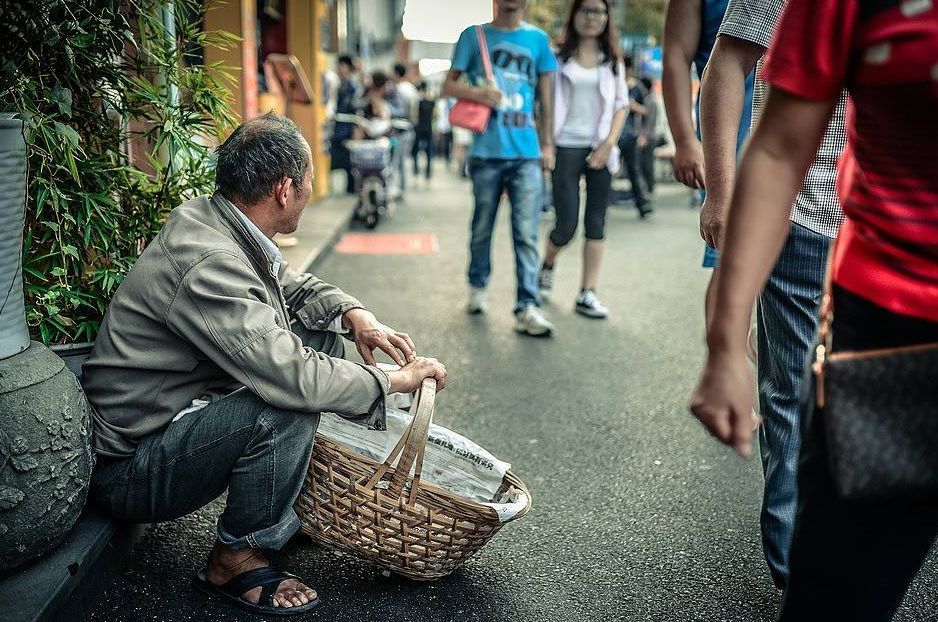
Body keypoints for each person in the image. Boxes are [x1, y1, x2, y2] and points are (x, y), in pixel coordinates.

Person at [83, 114, 447, 616]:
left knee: (319, 334)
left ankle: (282, 504)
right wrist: (391, 381)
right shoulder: (207, 261)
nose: (311, 191)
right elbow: (292, 377)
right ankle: (234, 558)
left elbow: (288, 284)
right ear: (284, 190)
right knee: (286, 402)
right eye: (309, 183)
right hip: (130, 467)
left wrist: (354, 314)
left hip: (179, 418)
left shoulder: (217, 219)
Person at [690, 0, 938, 617]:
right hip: (886, 322)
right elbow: (773, 144)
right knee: (840, 589)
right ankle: (787, 558)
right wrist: (725, 342)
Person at [698, 0, 847, 589]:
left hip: (897, 226)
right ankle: (800, 576)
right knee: (792, 397)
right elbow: (726, 63)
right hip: (803, 212)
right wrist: (722, 194)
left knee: (881, 399)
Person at [442, 0, 558, 337]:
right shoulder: (473, 36)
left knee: (526, 231)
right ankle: (477, 285)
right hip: (486, 152)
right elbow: (448, 87)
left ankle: (527, 306)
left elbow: (546, 101)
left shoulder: (538, 40)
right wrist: (479, 94)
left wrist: (547, 145)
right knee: (482, 225)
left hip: (527, 153)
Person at [661, 0, 754, 328]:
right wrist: (685, 140)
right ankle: (725, 365)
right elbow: (675, 56)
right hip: (730, 134)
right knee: (728, 261)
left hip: (802, 130)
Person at [537, 0, 627, 320]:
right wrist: (545, 145)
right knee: (566, 225)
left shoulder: (612, 60)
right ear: (574, 16)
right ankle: (547, 263)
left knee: (596, 222)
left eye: (599, 12)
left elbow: (621, 105)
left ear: (606, 18)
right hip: (565, 146)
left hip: (600, 146)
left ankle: (587, 292)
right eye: (586, 10)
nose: (592, 18)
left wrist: (608, 143)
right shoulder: (557, 57)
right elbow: (543, 103)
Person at [614, 55, 653, 217]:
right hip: (613, 135)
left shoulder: (637, 88)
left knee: (634, 171)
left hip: (630, 135)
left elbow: (646, 111)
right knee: (608, 171)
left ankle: (642, 204)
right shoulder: (614, 83)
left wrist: (632, 106)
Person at [330, 55, 361, 194]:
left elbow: (356, 112)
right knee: (336, 160)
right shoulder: (336, 85)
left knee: (350, 163)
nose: (339, 69)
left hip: (347, 129)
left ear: (348, 68)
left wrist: (355, 133)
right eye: (338, 66)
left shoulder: (354, 88)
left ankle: (351, 191)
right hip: (336, 129)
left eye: (341, 66)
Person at [638, 76, 660, 195]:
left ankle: (650, 187)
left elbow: (650, 122)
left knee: (647, 163)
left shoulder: (650, 101)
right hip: (648, 136)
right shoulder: (647, 99)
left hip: (649, 136)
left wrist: (644, 136)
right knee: (644, 163)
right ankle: (648, 187)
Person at [412, 81, 437, 182]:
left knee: (415, 151)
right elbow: (436, 115)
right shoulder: (432, 101)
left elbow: (414, 115)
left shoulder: (418, 101)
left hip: (419, 128)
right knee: (429, 152)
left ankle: (416, 171)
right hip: (429, 128)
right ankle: (427, 173)